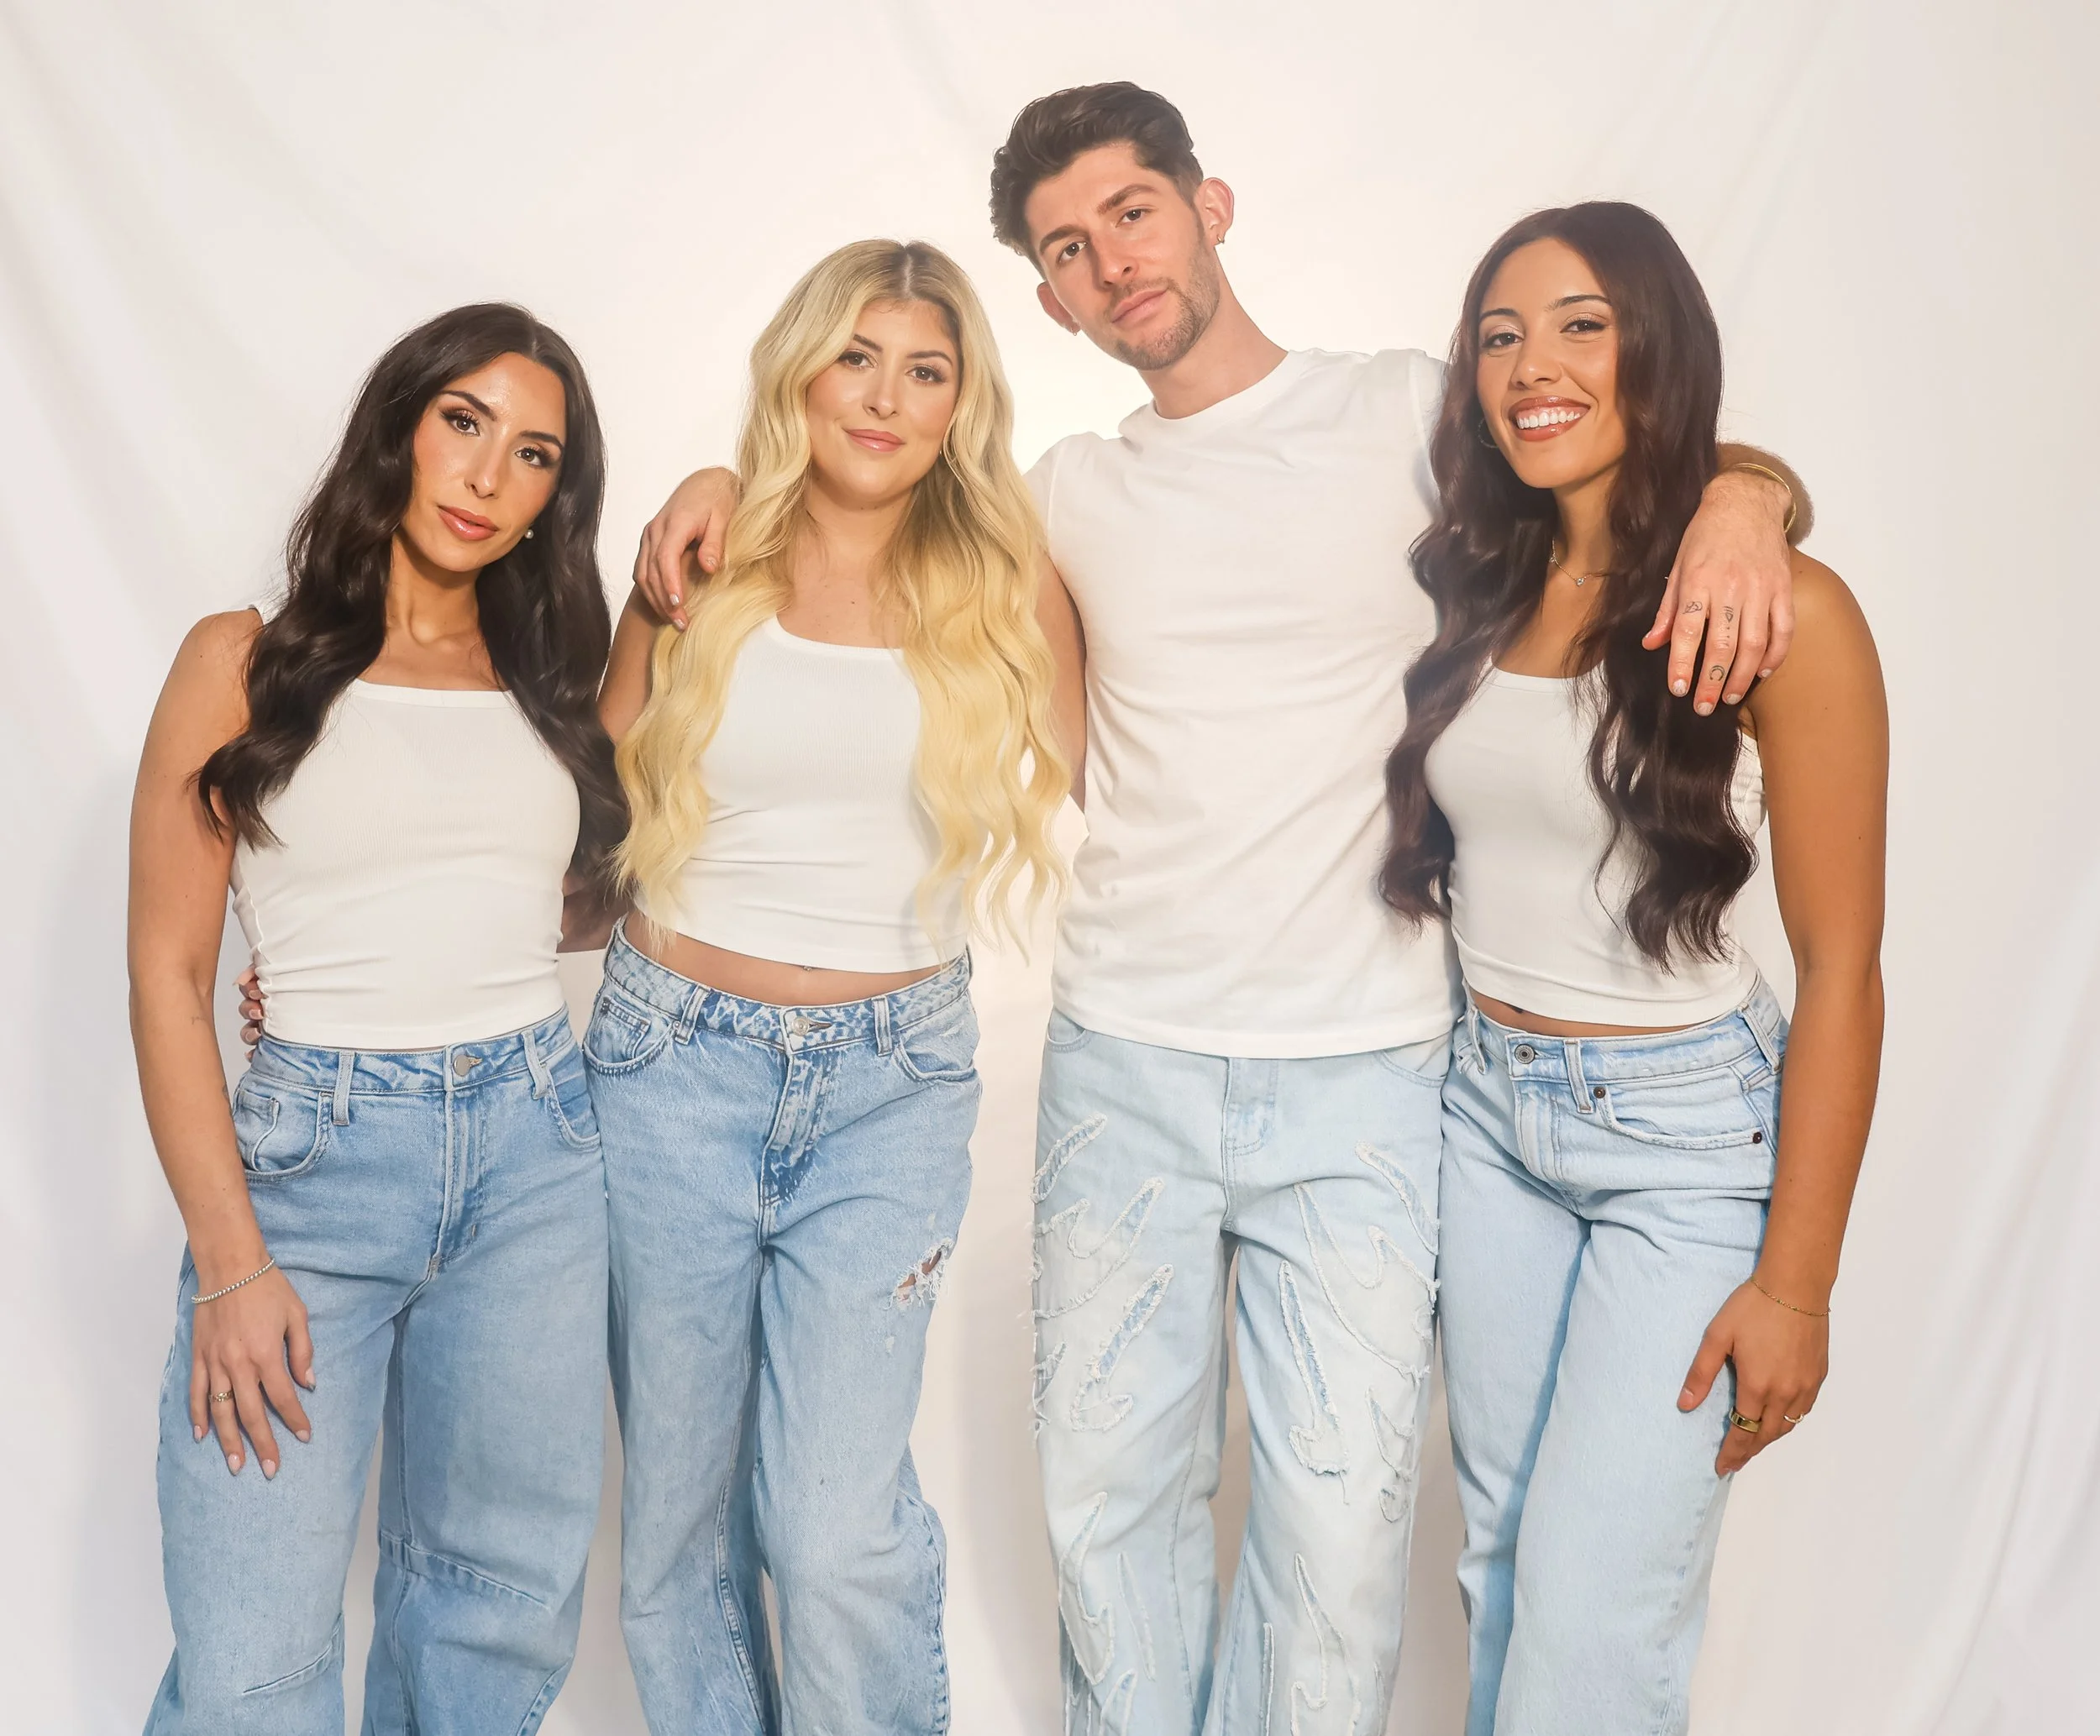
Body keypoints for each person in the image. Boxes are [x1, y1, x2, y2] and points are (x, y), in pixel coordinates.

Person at [633, 86, 1803, 1733]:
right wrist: (709, 481)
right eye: (1063, 248)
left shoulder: (1409, 410)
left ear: (1210, 204)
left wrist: (1752, 489)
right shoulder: (1063, 492)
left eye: (1130, 212)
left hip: (1375, 1074)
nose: (1108, 262)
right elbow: (873, 556)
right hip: (1126, 1066)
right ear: (1043, 302)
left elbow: (1618, 449)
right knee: (1111, 1527)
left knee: (1333, 1551)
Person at [1380, 202, 1885, 1734]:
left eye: (1583, 324)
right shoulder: (1473, 582)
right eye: (1502, 334)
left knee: (1597, 1617)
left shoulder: (1785, 610)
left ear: (1659, 350)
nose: (1535, 364)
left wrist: (1795, 1286)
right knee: (1507, 1570)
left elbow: (1848, 965)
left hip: (1686, 1145)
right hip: (1488, 1112)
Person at [590, 239, 1080, 1733]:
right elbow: (575, 813)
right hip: (668, 1060)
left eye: (925, 371)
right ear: (800, 369)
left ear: (960, 407)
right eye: (856, 357)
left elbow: (1157, 773)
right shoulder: (698, 566)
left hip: (890, 1081)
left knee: (827, 1518)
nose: (884, 396)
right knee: (676, 1518)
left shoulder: (1008, 584)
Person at [128, 304, 624, 1735]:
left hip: (537, 1158)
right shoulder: (245, 657)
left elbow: (558, 904)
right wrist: (232, 1263)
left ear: (553, 500)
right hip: (308, 1172)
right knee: (252, 1668)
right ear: (399, 426)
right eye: (464, 422)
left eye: (533, 455)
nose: (486, 475)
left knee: (492, 1619)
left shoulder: (544, 688)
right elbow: (167, 969)